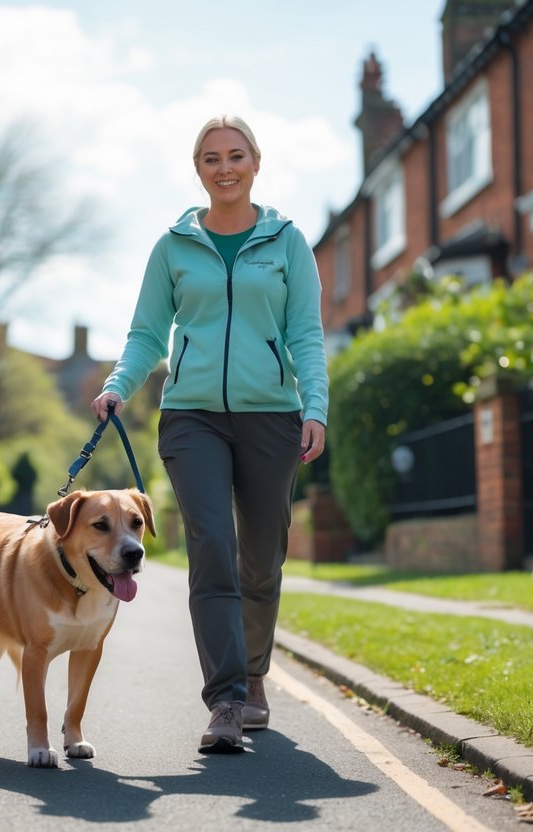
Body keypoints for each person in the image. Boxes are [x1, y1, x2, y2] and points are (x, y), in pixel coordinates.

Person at [91, 115, 328, 753]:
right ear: (198, 169)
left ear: (256, 162)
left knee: (261, 555)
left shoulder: (287, 242)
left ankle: (253, 677)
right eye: (210, 158)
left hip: (271, 415)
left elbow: (306, 333)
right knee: (212, 546)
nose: (224, 167)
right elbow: (147, 334)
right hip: (191, 414)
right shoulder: (174, 245)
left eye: (235, 155)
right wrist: (120, 384)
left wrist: (315, 407)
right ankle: (224, 699)